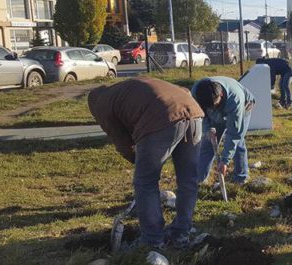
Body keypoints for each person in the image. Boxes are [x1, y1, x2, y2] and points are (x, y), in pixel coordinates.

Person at [87, 77, 204, 248]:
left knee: (145, 182)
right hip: (194, 112)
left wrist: (138, 160)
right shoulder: (126, 88)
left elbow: (122, 142)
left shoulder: (102, 105)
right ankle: (181, 234)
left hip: (162, 118)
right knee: (188, 180)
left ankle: (152, 240)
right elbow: (181, 91)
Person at [192, 76, 256, 185]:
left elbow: (234, 134)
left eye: (214, 105)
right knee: (208, 143)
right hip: (218, 109)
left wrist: (225, 161)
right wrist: (207, 130)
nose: (212, 108)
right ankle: (199, 179)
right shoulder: (197, 92)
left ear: (221, 94)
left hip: (244, 105)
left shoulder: (235, 100)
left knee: (238, 142)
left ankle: (241, 177)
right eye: (209, 107)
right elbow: (200, 114)